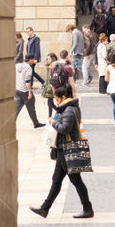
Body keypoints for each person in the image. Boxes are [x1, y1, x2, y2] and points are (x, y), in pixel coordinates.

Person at [29, 83, 93, 219]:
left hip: (67, 149)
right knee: (57, 180)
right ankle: (44, 208)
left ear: (63, 97)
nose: (56, 102)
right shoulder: (68, 108)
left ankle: (87, 209)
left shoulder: (69, 109)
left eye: (57, 99)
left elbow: (65, 129)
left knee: (76, 180)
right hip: (62, 149)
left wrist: (53, 122)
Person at [15, 58, 46, 128]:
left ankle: (10, 123)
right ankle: (36, 123)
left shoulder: (17, 66)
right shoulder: (28, 68)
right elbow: (27, 81)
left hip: (17, 89)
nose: (34, 60)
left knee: (17, 107)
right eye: (33, 59)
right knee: (31, 106)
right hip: (25, 90)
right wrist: (29, 92)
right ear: (30, 59)